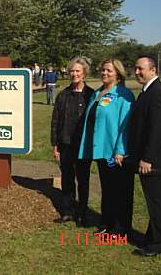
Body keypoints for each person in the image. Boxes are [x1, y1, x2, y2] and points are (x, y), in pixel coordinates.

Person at [78, 59, 135, 236]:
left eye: (109, 71)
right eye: (103, 70)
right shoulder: (97, 93)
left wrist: (120, 150)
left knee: (119, 190)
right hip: (100, 150)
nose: (104, 73)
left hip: (115, 152)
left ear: (118, 73)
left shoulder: (123, 94)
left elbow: (126, 125)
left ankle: (119, 228)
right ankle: (107, 223)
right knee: (107, 188)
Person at [129, 56, 161, 257]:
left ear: (153, 69)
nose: (137, 72)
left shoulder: (159, 93)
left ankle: (159, 245)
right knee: (154, 202)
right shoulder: (148, 91)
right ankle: (152, 237)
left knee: (160, 204)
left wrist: (147, 158)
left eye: (141, 69)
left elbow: (157, 130)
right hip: (152, 160)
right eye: (136, 69)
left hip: (157, 162)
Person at [51, 57, 93, 225]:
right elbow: (55, 121)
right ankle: (68, 211)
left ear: (84, 73)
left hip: (83, 145)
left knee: (83, 179)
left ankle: (82, 212)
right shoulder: (63, 95)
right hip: (65, 144)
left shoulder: (91, 95)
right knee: (67, 179)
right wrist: (55, 145)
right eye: (72, 71)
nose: (74, 74)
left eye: (78, 71)